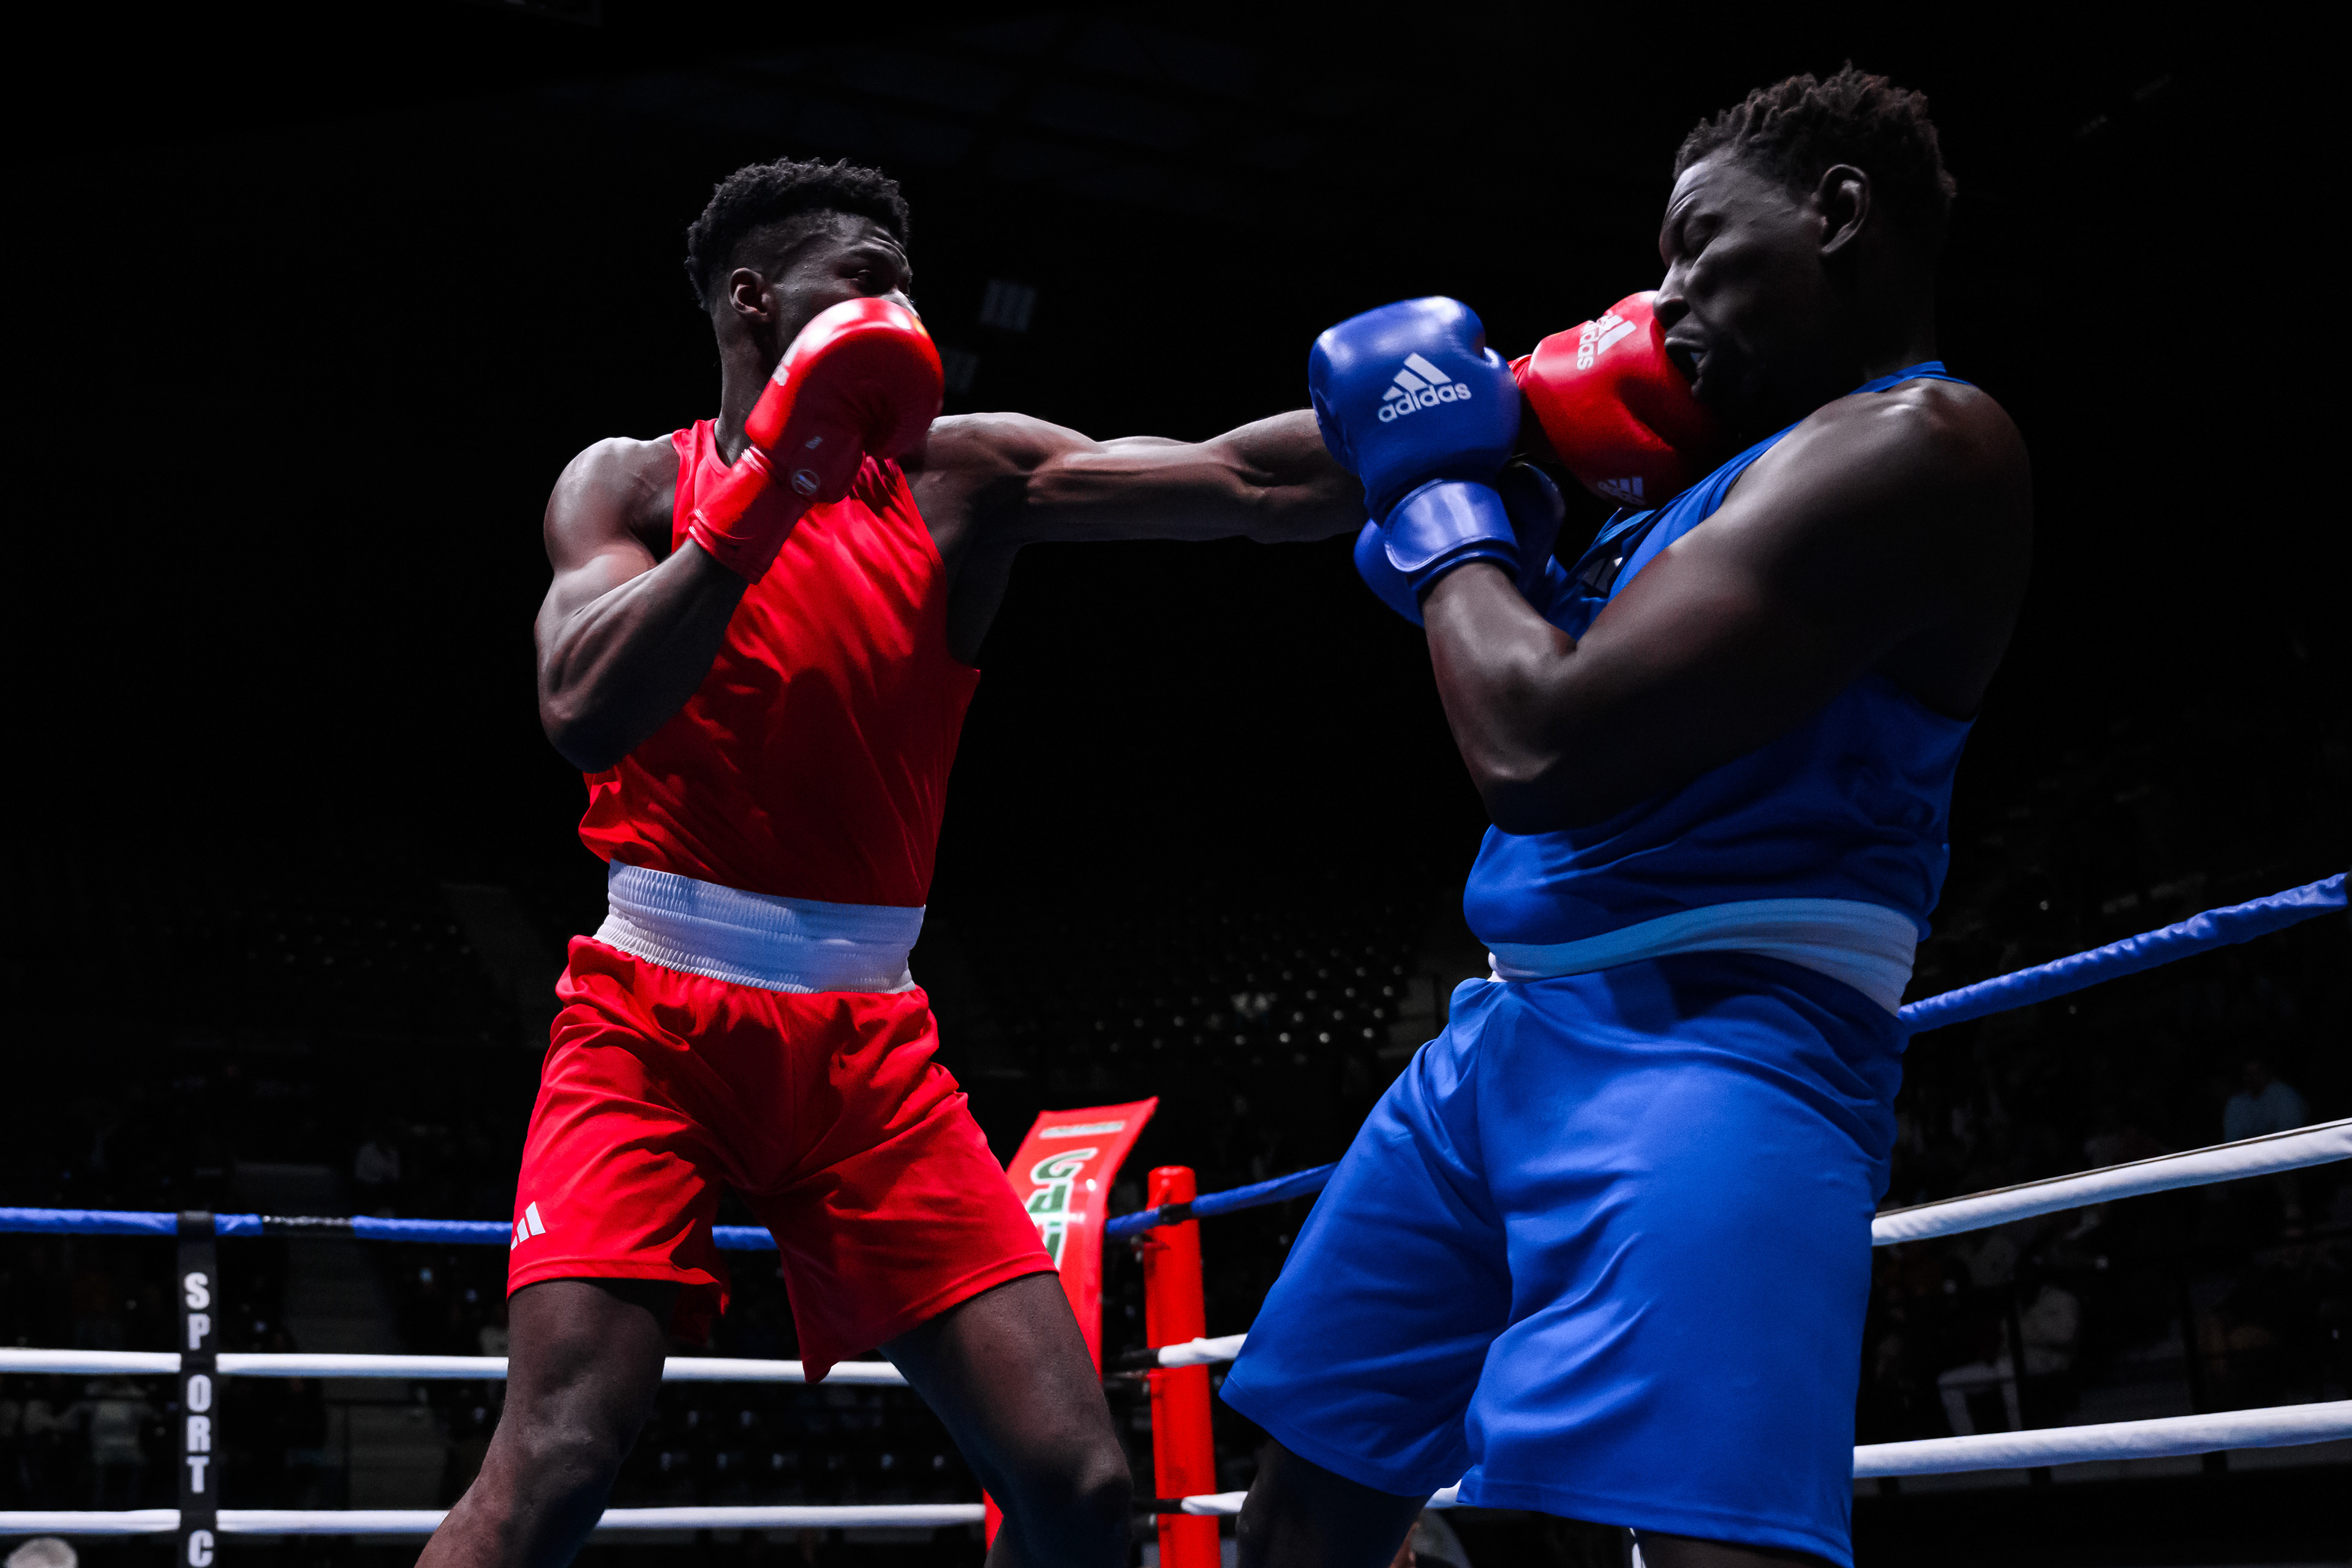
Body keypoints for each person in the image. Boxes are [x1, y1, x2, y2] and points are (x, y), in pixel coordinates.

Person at [419, 157, 1362, 1568]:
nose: (902, 309)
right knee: (557, 1457)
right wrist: (762, 495)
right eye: (867, 279)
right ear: (754, 299)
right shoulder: (632, 481)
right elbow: (581, 706)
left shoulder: (960, 475)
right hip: (651, 1015)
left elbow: (1245, 479)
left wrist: (1501, 409)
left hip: (872, 1045)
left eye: (909, 284)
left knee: (1078, 1486)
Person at [1224, 68, 2031, 1568]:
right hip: (1497, 1039)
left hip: (1721, 1043)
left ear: (1837, 213)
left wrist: (1448, 519)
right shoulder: (1682, 479)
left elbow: (1536, 744)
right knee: (1299, 1522)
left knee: (1701, 1546)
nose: (1664, 298)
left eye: (1697, 246)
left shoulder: (1926, 443)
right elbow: (1272, 477)